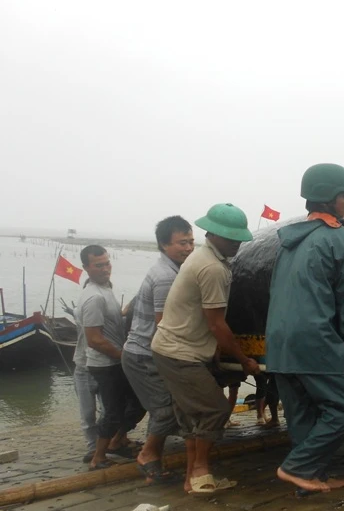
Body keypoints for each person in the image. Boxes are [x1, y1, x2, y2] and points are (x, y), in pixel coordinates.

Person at [266, 163, 344, 493]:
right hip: (314, 339)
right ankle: (297, 467)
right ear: (328, 199)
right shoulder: (343, 241)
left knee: (302, 414)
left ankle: (309, 478)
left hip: (278, 341)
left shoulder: (287, 242)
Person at [151, 204, 260, 494]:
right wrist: (243, 359)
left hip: (175, 348)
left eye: (239, 238)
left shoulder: (203, 257)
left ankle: (193, 480)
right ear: (213, 234)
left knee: (192, 416)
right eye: (231, 238)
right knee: (215, 409)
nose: (236, 243)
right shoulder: (212, 268)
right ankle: (201, 468)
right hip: (179, 352)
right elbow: (217, 325)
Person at [121, 216, 194, 483]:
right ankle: (147, 455)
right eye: (182, 243)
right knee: (165, 409)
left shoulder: (173, 270)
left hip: (148, 351)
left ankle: (153, 462)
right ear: (164, 244)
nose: (188, 248)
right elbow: (164, 326)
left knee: (167, 407)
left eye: (191, 242)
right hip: (144, 354)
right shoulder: (166, 277)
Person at [77, 245, 146, 470]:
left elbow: (113, 320)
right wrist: (124, 356)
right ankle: (98, 457)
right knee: (114, 411)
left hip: (115, 361)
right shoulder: (94, 297)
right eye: (99, 265)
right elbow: (94, 339)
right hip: (105, 364)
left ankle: (118, 441)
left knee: (135, 402)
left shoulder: (105, 288)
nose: (105, 269)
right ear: (86, 268)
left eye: (107, 263)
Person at [72, 297, 102, 463]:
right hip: (82, 367)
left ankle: (105, 442)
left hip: (103, 367)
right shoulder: (80, 311)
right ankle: (92, 447)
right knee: (87, 413)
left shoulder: (107, 312)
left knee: (108, 411)